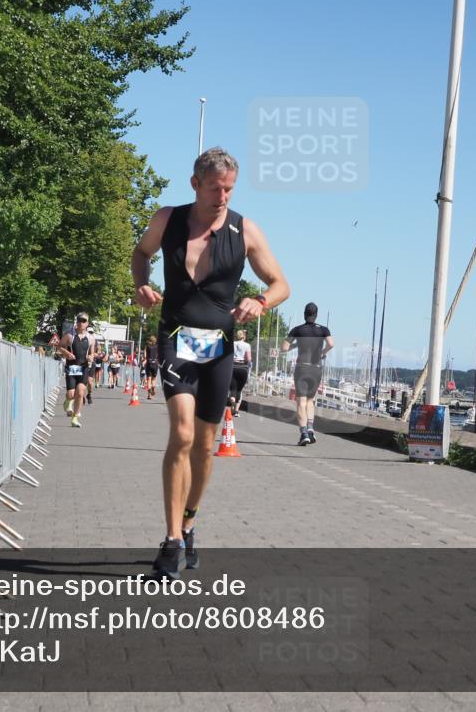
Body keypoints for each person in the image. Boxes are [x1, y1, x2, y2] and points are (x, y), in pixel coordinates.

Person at [131, 147, 289, 579]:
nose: (223, 196)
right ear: (195, 184)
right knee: (180, 434)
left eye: (230, 189)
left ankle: (190, 519)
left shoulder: (245, 230)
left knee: (205, 445)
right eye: (216, 188)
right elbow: (140, 254)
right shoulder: (168, 220)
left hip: (218, 346)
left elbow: (280, 284)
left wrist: (259, 300)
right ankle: (171, 541)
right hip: (176, 336)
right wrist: (142, 285)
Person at [282, 302, 333, 446]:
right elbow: (331, 344)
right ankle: (310, 428)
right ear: (316, 315)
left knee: (301, 402)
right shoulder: (323, 330)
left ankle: (303, 432)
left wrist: (295, 345)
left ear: (305, 314)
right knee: (310, 401)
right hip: (316, 368)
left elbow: (284, 348)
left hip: (302, 368)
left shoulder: (297, 330)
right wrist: (322, 353)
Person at [58, 313, 95, 427]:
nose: (81, 322)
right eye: (79, 320)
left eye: (84, 321)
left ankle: (75, 417)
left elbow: (92, 353)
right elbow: (59, 346)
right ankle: (67, 401)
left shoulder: (90, 338)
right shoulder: (69, 335)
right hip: (72, 367)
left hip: (84, 368)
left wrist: (90, 357)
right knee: (71, 394)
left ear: (87, 324)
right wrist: (67, 353)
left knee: (80, 392)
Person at [229, 329, 252, 416]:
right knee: (239, 389)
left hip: (233, 366)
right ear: (243, 336)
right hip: (243, 368)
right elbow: (249, 359)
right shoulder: (247, 345)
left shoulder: (233, 344)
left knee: (233, 388)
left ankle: (232, 401)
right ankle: (236, 409)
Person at [143, 335, 159, 399]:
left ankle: (149, 395)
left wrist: (146, 358)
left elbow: (144, 356)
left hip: (149, 363)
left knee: (149, 379)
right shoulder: (157, 346)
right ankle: (153, 388)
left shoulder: (147, 346)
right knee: (154, 379)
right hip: (155, 363)